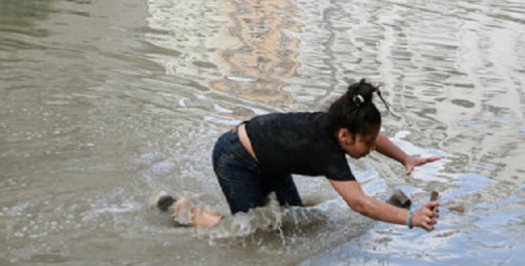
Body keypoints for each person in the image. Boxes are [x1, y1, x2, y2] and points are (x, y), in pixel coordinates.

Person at [161, 80, 443, 231]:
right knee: (250, 231)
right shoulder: (327, 152)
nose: (372, 148)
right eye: (367, 142)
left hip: (269, 160)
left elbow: (372, 135)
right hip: (236, 158)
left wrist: (405, 158)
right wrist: (411, 218)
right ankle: (185, 212)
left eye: (373, 141)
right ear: (345, 136)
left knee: (292, 220)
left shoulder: (336, 123)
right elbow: (360, 204)